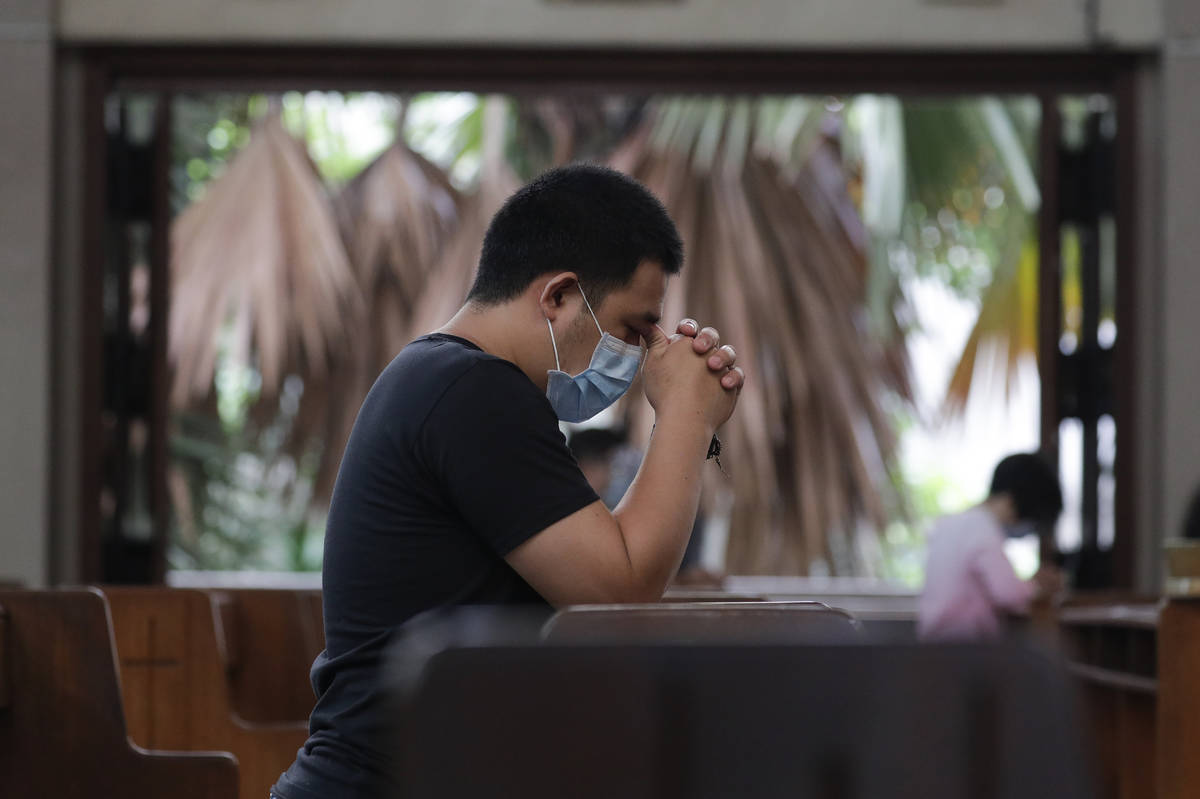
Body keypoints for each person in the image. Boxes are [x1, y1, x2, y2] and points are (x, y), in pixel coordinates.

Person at [272, 164, 744, 799]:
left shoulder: (447, 380)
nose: (639, 357)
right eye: (634, 329)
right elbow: (618, 588)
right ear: (557, 296)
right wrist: (686, 415)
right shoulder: (472, 391)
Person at [917, 453, 1065, 641]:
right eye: (1031, 522)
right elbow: (1007, 593)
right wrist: (1037, 586)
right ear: (1013, 504)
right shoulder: (983, 529)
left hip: (934, 642)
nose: (1027, 530)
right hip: (962, 646)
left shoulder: (948, 524)